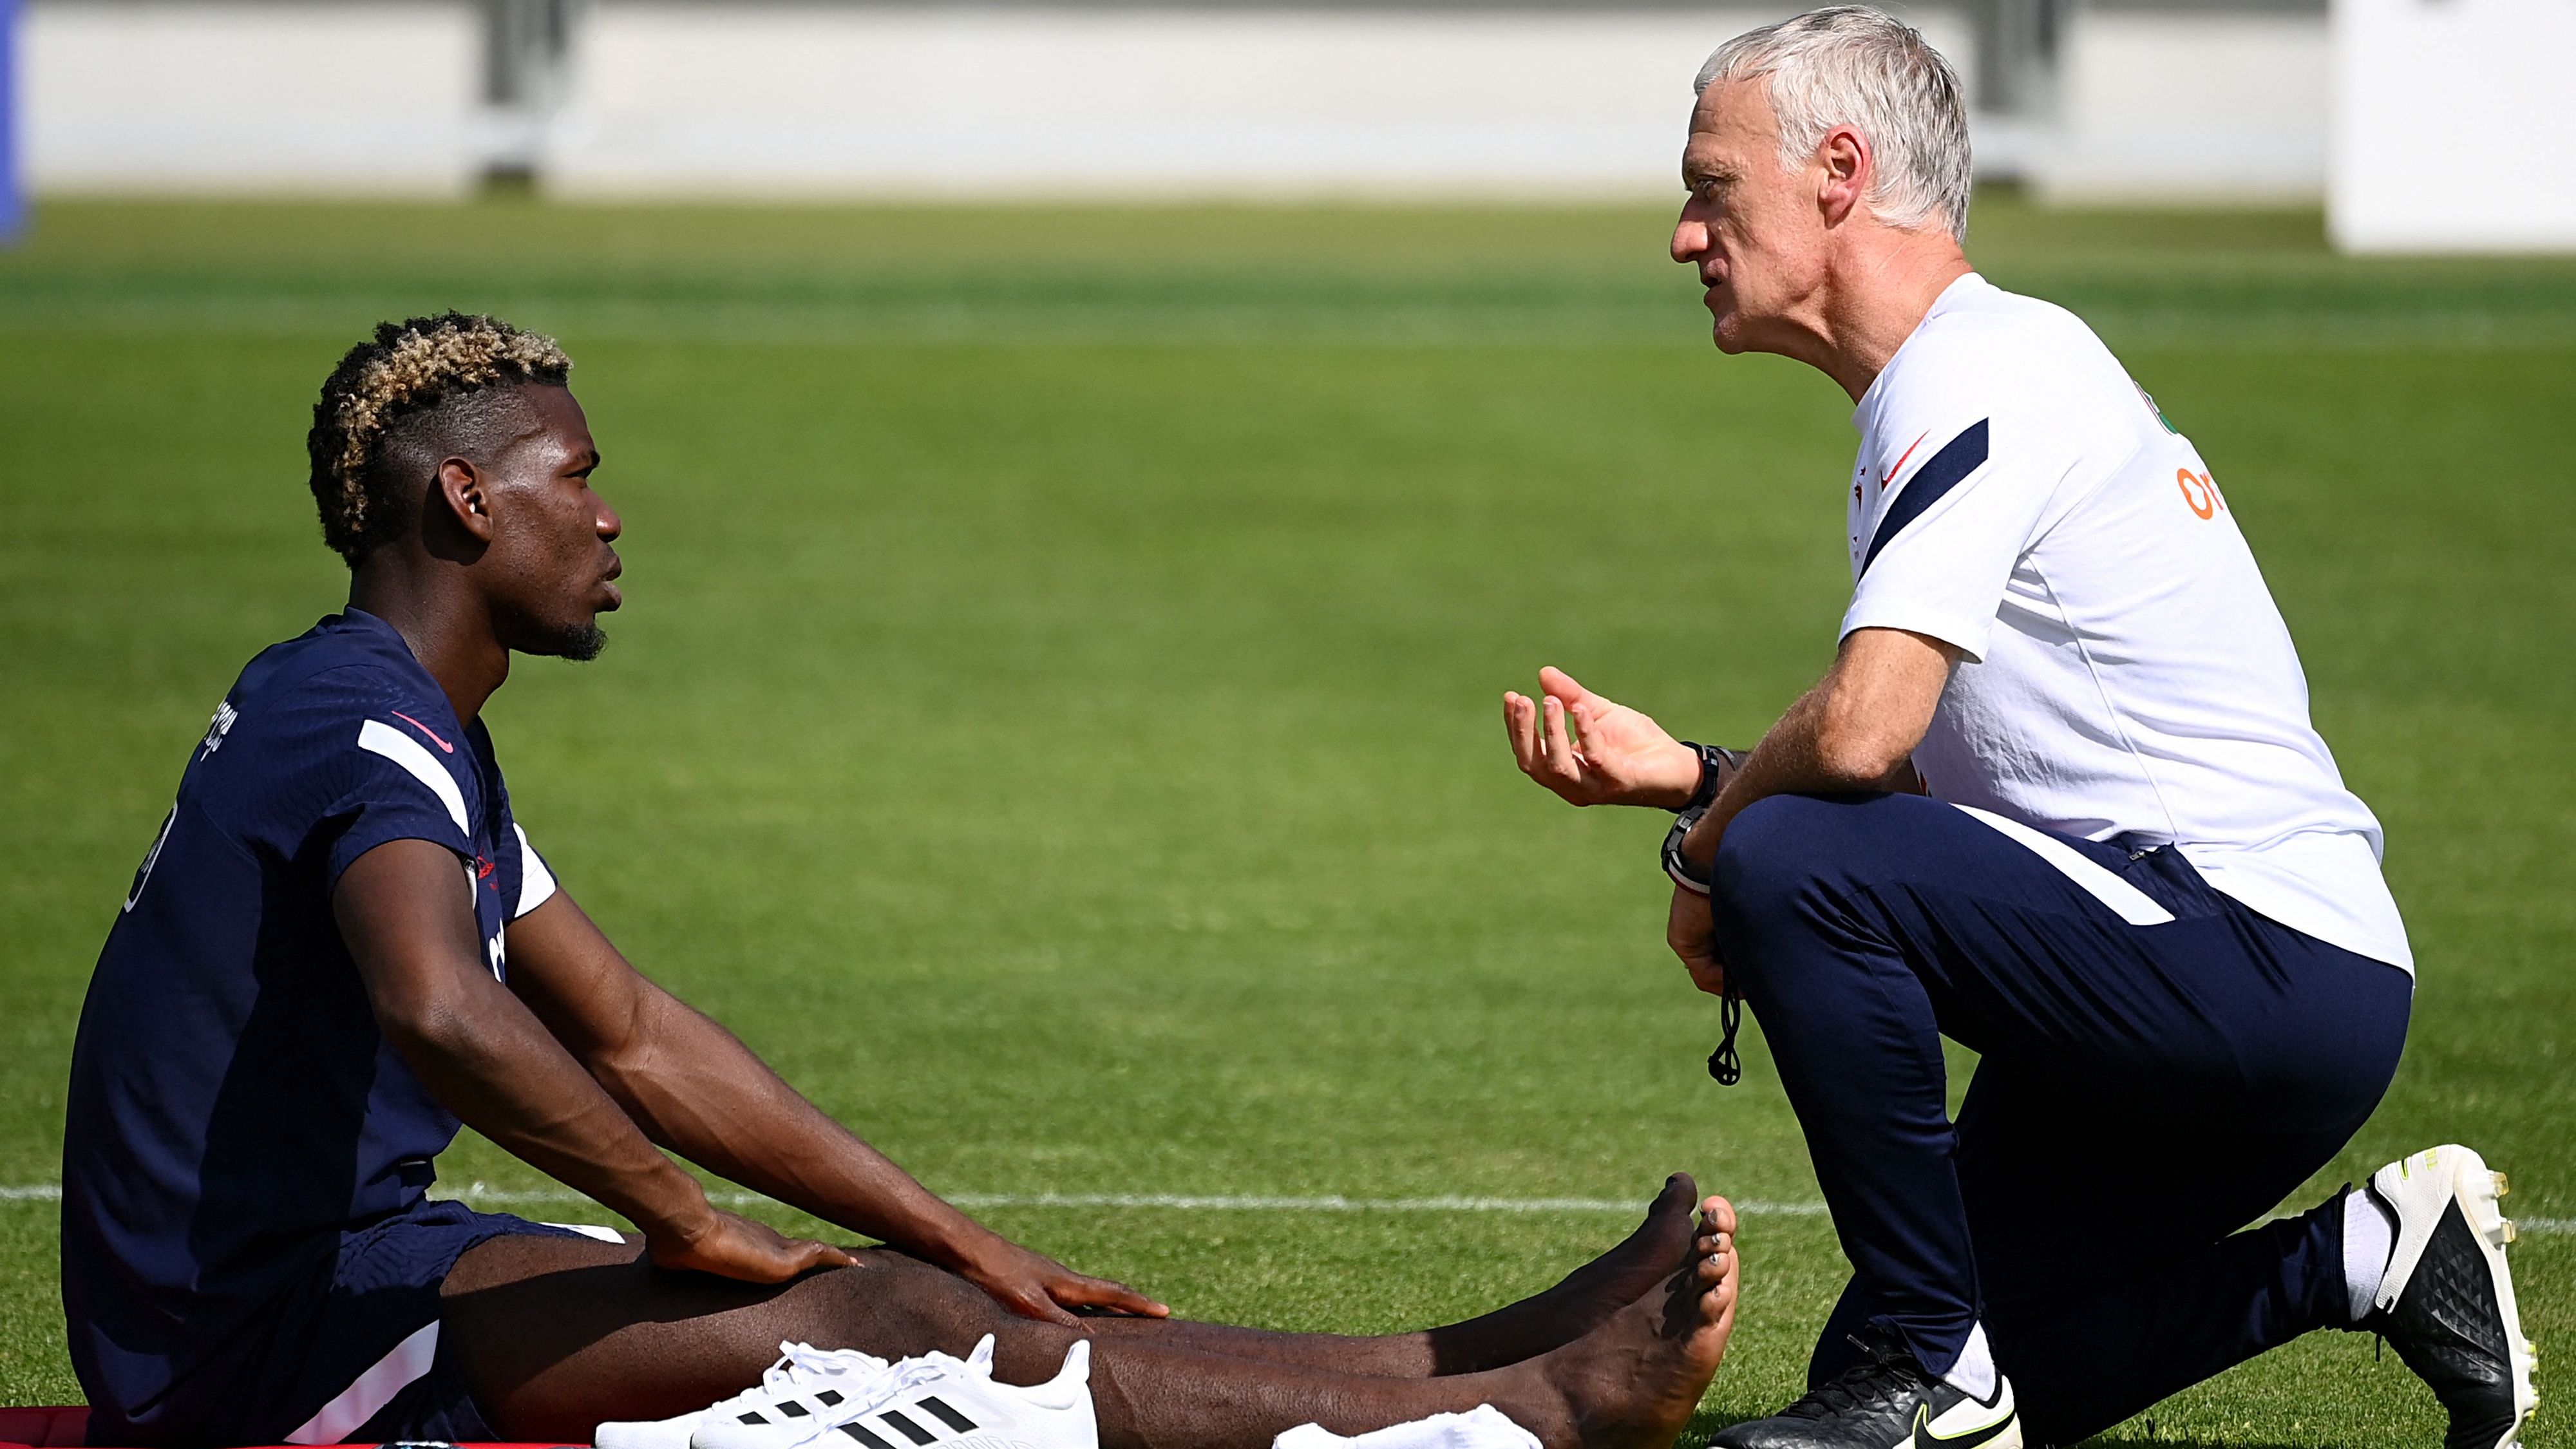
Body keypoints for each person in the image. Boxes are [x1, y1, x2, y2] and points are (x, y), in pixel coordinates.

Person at [61, 313, 1737, 1448]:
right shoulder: (362, 725)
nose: (610, 517)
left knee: (933, 1295)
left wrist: (962, 1231)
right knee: (883, 1333)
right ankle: (1527, 1411)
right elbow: (442, 1009)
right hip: (248, 1351)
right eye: (575, 479)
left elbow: (634, 1030)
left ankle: (1484, 1360)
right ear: (464, 499)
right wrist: (682, 1219)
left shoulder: (382, 719)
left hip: (346, 1267)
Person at [1499, 11, 2535, 1449]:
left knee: (1790, 867)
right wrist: (1692, 778)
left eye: (1711, 188)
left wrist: (1708, 851)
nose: (1685, 236)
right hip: (2228, 967)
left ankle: (1935, 1360)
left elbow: (1859, 743)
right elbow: (1939, 788)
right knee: (1938, 1357)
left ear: (1840, 173)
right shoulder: (1966, 376)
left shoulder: (1973, 369)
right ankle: (2366, 1258)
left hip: (2257, 961)